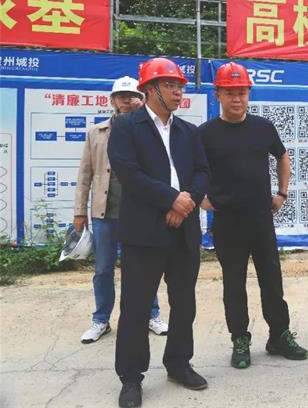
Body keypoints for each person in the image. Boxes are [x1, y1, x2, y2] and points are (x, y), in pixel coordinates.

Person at [108, 57, 210, 407]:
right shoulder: (127, 126)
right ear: (150, 89)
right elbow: (128, 172)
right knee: (136, 307)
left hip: (184, 230)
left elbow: (202, 171)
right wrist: (171, 199)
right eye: (170, 85)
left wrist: (186, 202)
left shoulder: (189, 131)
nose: (178, 91)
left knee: (184, 303)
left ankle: (179, 363)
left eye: (180, 86)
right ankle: (131, 377)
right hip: (144, 232)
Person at [198, 62, 308, 370]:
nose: (237, 99)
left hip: (261, 218)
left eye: (242, 92)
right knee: (234, 283)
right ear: (218, 95)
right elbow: (192, 168)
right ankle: (240, 339)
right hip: (227, 221)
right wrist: (200, 198)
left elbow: (282, 156)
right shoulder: (206, 133)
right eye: (230, 93)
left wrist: (282, 193)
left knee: (271, 279)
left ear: (248, 94)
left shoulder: (263, 127)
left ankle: (279, 335)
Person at [74, 77, 169, 344]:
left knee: (142, 267)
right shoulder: (97, 132)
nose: (128, 100)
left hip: (138, 213)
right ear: (112, 100)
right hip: (105, 213)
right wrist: (80, 211)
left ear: (142, 98)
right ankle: (101, 320)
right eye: (121, 96)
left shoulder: (150, 129)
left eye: (133, 95)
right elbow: (85, 175)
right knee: (103, 269)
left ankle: (151, 315)